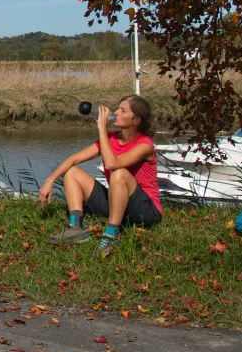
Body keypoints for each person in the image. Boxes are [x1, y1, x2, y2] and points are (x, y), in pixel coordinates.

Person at [39, 95, 162, 252]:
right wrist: (50, 180)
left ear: (136, 120)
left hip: (145, 211)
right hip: (119, 206)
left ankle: (111, 236)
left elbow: (112, 164)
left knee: (119, 174)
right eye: (117, 108)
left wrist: (102, 129)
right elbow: (74, 159)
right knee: (72, 172)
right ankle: (77, 228)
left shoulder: (144, 144)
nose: (116, 112)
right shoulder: (111, 139)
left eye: (122, 110)